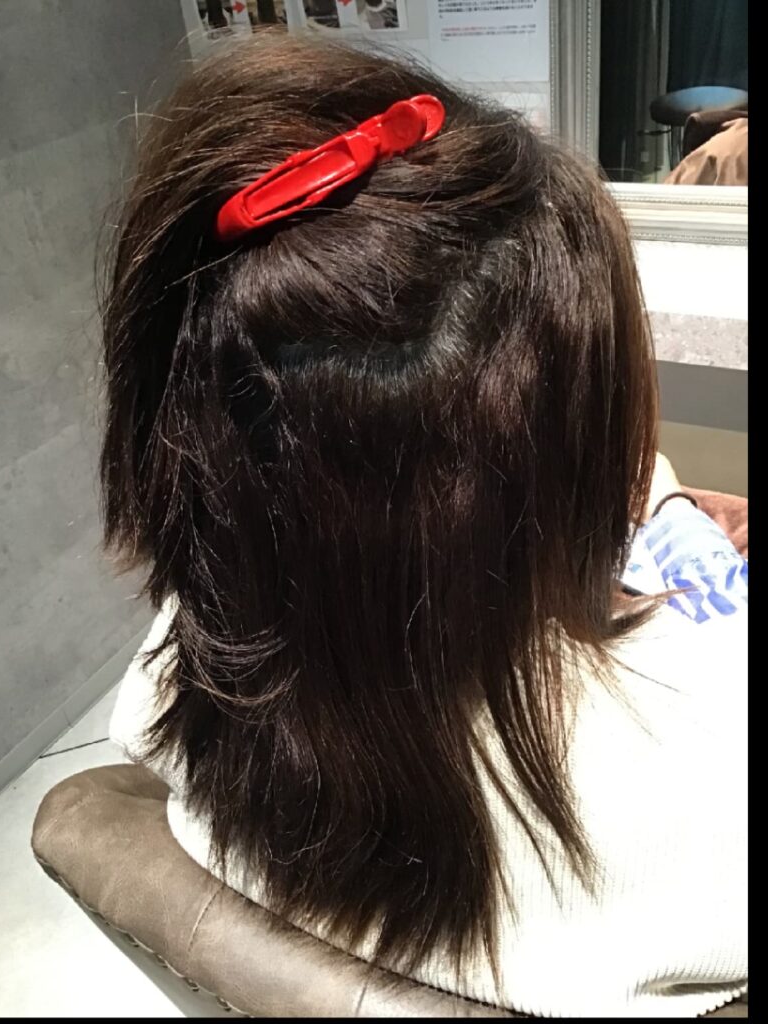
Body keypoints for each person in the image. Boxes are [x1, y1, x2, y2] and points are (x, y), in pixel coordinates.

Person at [103, 37, 746, 1017]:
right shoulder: (704, 760)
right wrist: (653, 512)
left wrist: (650, 504)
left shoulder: (173, 684)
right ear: (573, 458)